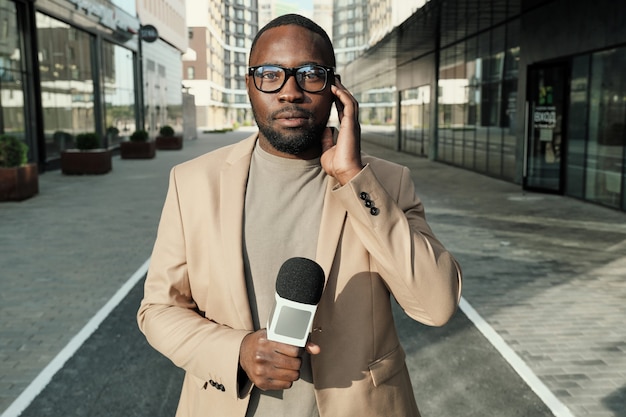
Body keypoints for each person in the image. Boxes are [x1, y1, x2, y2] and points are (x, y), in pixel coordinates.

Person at [137, 13, 462, 417]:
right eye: (270, 74)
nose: (290, 92)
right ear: (249, 86)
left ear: (335, 88)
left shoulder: (385, 184)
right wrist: (236, 351)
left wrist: (352, 176)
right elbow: (158, 310)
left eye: (309, 74)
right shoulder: (193, 183)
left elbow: (436, 306)